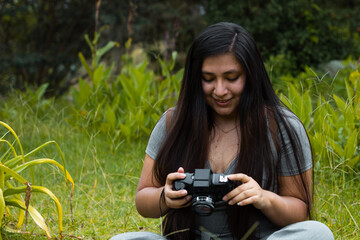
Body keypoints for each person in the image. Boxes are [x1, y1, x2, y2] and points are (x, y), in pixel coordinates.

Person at [110, 22, 334, 240]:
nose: (220, 90)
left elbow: (299, 212)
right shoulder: (173, 122)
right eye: (208, 79)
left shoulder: (282, 126)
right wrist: (165, 197)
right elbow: (143, 201)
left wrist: (263, 198)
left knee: (318, 233)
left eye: (231, 78)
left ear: (251, 75)